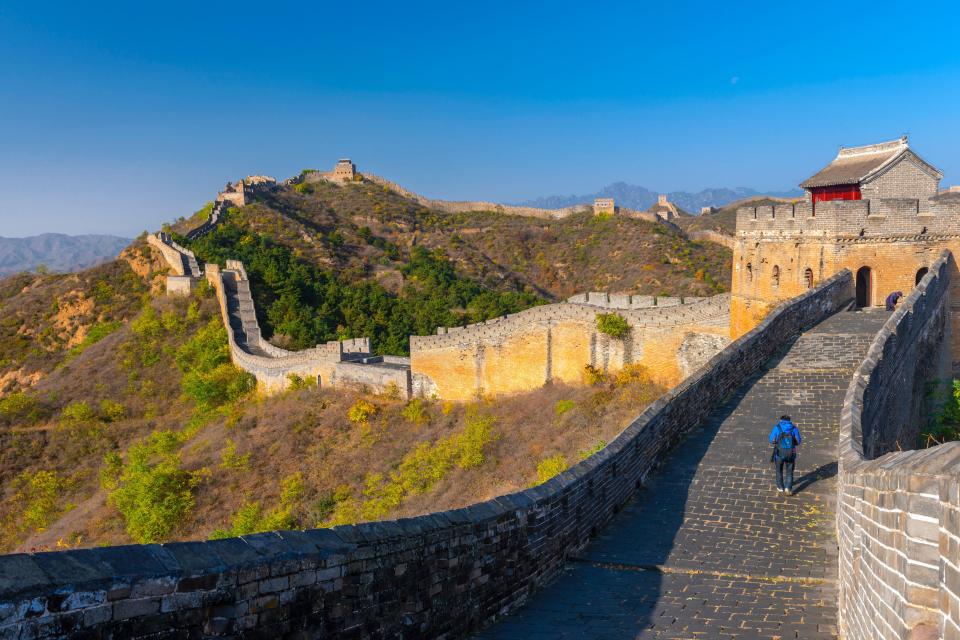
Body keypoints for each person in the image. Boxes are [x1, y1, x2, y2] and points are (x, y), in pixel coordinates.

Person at [769, 415, 801, 495]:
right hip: (791, 454)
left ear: (781, 420)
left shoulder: (777, 427)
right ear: (790, 421)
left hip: (779, 454)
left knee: (779, 470)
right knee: (789, 472)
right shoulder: (794, 428)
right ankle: (788, 488)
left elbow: (771, 439)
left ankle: (780, 487)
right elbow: (799, 441)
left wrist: (776, 441)